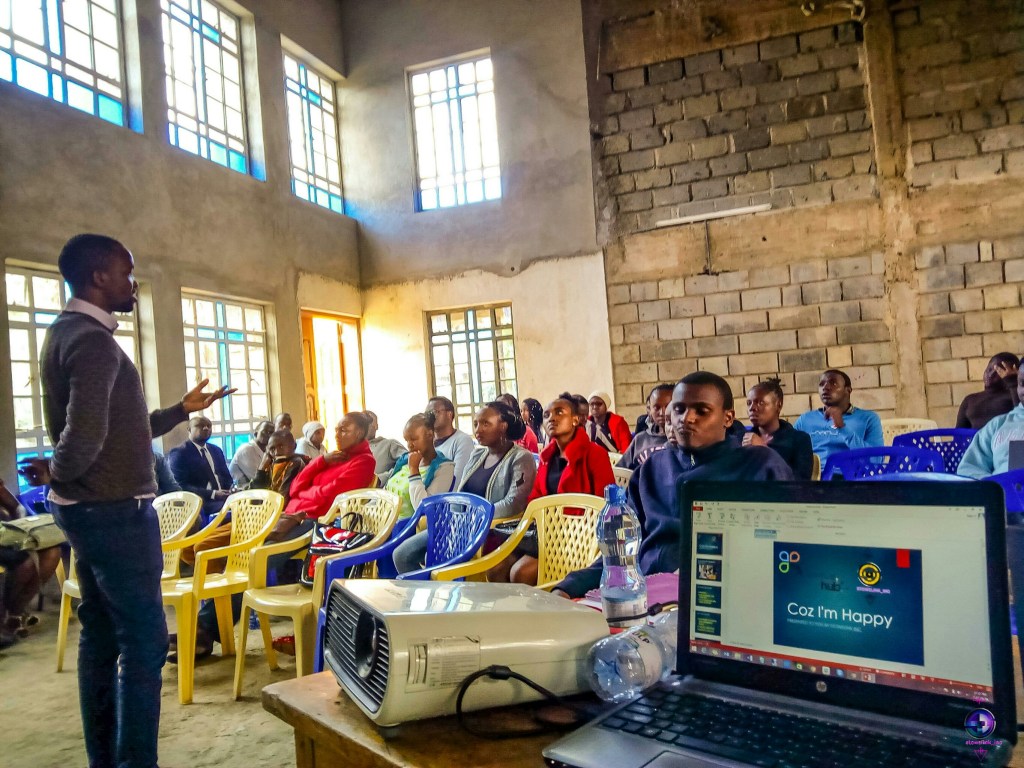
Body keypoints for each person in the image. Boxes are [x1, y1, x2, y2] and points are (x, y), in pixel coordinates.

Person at [18, 233, 232, 768]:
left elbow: (121, 429)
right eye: (126, 273)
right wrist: (61, 480)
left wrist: (181, 409)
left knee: (102, 636)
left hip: (90, 511)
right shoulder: (92, 342)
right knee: (145, 641)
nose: (132, 283)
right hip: (114, 512)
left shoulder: (67, 332)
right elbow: (84, 437)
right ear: (98, 277)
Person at [553, 372, 793, 598]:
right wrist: (569, 587)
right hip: (642, 596)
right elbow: (619, 552)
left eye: (702, 410)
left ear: (727, 418)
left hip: (722, 595)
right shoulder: (651, 470)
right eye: (679, 409)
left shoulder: (759, 466)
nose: (687, 418)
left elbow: (785, 553)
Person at [178, 428, 312, 660]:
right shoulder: (270, 465)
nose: (276, 451)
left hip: (270, 522)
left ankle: (206, 626)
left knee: (210, 553)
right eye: (271, 448)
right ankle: (217, 608)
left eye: (281, 447)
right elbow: (253, 491)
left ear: (292, 446)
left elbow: (279, 497)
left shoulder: (296, 464)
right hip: (249, 517)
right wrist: (262, 466)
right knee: (190, 549)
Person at [393, 401, 536, 573]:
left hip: (489, 529)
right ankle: (428, 594)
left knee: (435, 562)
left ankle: (438, 592)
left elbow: (513, 503)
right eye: (476, 424)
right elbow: (460, 494)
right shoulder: (478, 454)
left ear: (503, 426)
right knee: (402, 554)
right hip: (459, 524)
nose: (478, 430)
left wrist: (475, 518)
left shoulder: (520, 458)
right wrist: (453, 519)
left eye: (485, 424)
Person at [492, 393, 615, 585]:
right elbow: (536, 498)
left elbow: (606, 503)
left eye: (559, 413)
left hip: (580, 538)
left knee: (520, 573)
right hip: (547, 533)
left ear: (576, 420)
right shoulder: (547, 457)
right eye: (547, 415)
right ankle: (509, 615)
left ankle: (535, 614)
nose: (552, 419)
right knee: (496, 568)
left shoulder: (594, 454)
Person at [0, 477, 64, 642]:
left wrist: (17, 526)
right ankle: (12, 615)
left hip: (6, 534)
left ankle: (14, 613)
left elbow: (17, 507)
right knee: (27, 565)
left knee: (52, 551)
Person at [793, 369, 883, 465]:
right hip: (813, 477)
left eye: (834, 383)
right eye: (821, 384)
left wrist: (842, 428)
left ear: (848, 390)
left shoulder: (868, 419)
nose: (825, 387)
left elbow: (876, 460)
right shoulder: (805, 420)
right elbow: (788, 454)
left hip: (850, 476)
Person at [383, 412, 456, 520]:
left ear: (430, 435)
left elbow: (424, 508)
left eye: (413, 439)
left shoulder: (444, 467)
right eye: (406, 440)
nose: (409, 445)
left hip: (412, 528)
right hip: (385, 523)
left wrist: (414, 470)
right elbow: (385, 493)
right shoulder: (404, 460)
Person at [743, 378, 814, 480]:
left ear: (778, 405)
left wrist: (765, 450)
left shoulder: (799, 440)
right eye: (749, 403)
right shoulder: (742, 438)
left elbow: (800, 482)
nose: (752, 408)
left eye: (761, 403)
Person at [959, 369, 1024, 478]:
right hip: (1003, 492)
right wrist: (994, 487)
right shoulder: (998, 425)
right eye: (1022, 383)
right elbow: (969, 468)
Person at [167, 416, 234, 517]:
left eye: (209, 426)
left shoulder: (216, 450)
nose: (206, 428)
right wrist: (213, 494)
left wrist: (231, 489)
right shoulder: (180, 453)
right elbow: (181, 485)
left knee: (252, 504)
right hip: (201, 502)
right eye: (200, 426)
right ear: (189, 429)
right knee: (236, 509)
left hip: (224, 498)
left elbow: (227, 477)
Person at [956, 353, 1020, 429]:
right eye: (989, 369)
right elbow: (959, 433)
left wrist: (1012, 383)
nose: (990, 374)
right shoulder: (970, 400)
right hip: (976, 440)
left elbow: (1020, 416)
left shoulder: (1014, 396)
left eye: (998, 372)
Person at [617, 383, 673, 470]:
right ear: (649, 410)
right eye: (656, 407)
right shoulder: (640, 440)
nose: (662, 413)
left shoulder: (684, 441)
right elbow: (621, 471)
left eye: (668, 406)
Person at [426, 396, 475, 485]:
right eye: (427, 413)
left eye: (434, 412)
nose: (430, 417)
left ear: (449, 414)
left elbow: (455, 481)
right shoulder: (426, 441)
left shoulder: (462, 441)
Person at [228, 419, 274, 486]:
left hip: (255, 490)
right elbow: (258, 479)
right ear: (256, 433)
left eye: (271, 433)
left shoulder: (266, 451)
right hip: (241, 491)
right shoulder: (247, 449)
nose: (268, 435)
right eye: (265, 431)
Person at [365, 409, 406, 480]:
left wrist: (381, 478)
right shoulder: (350, 451)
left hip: (379, 488)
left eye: (368, 421)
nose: (363, 426)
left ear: (376, 426)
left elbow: (408, 461)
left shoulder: (389, 444)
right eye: (360, 423)